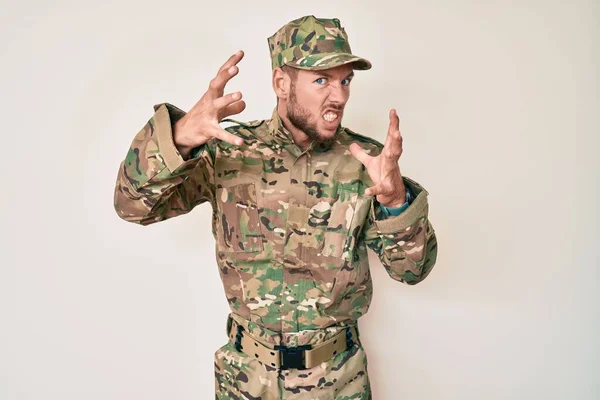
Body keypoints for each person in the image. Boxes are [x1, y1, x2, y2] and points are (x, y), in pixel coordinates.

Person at [114, 14, 437, 400]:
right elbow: (132, 206)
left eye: (345, 80)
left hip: (337, 382)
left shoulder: (366, 162)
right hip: (244, 380)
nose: (339, 97)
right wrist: (179, 137)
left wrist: (396, 201)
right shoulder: (229, 151)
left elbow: (413, 271)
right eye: (322, 81)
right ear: (281, 83)